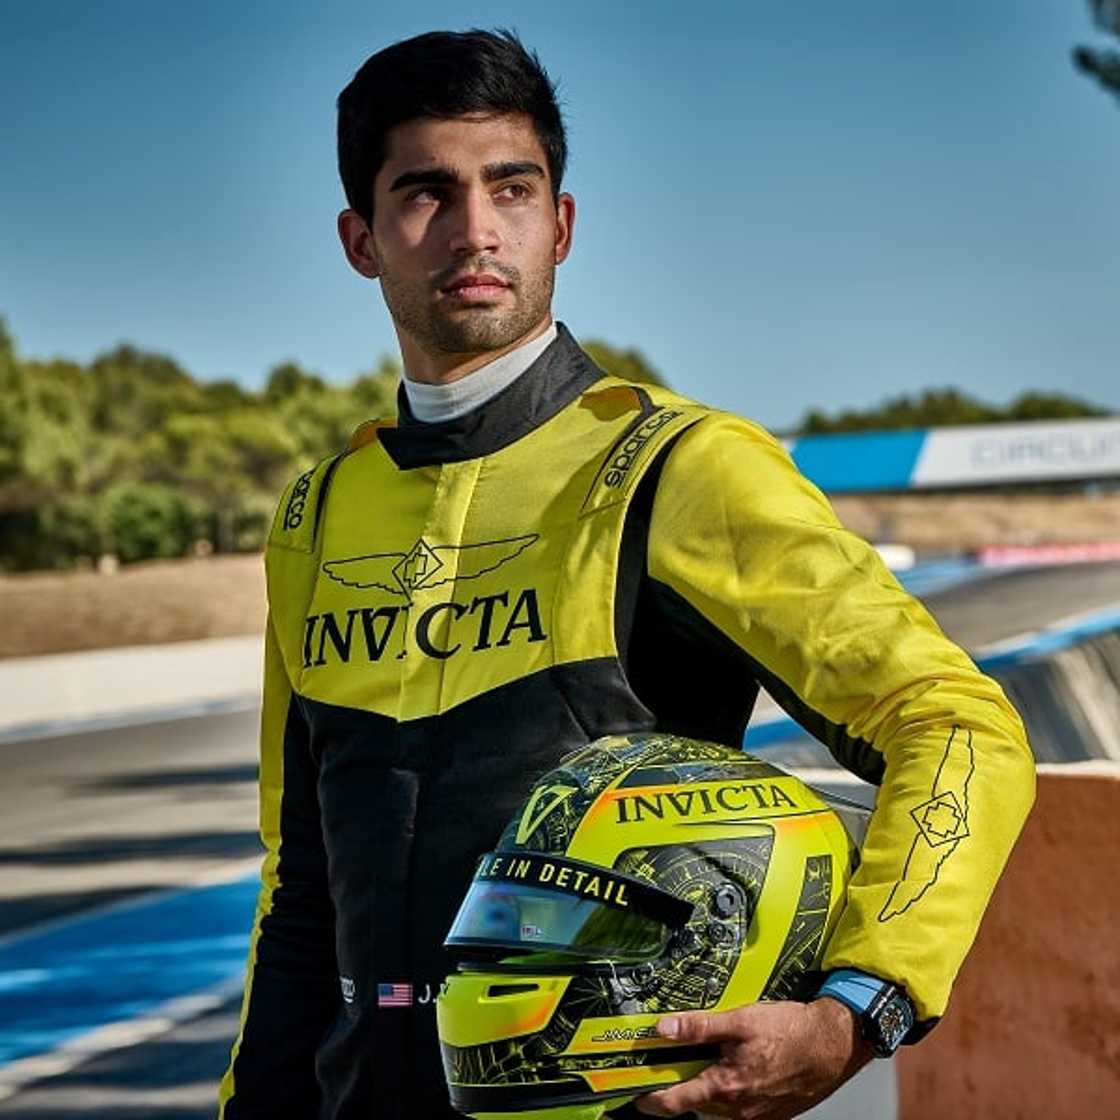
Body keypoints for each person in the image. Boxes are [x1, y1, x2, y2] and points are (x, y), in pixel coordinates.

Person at [218, 28, 1035, 1120]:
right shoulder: (317, 514)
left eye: (510, 188)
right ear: (360, 240)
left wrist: (858, 1009)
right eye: (426, 193)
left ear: (559, 224)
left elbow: (956, 724)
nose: (475, 229)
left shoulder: (681, 465)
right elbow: (302, 884)